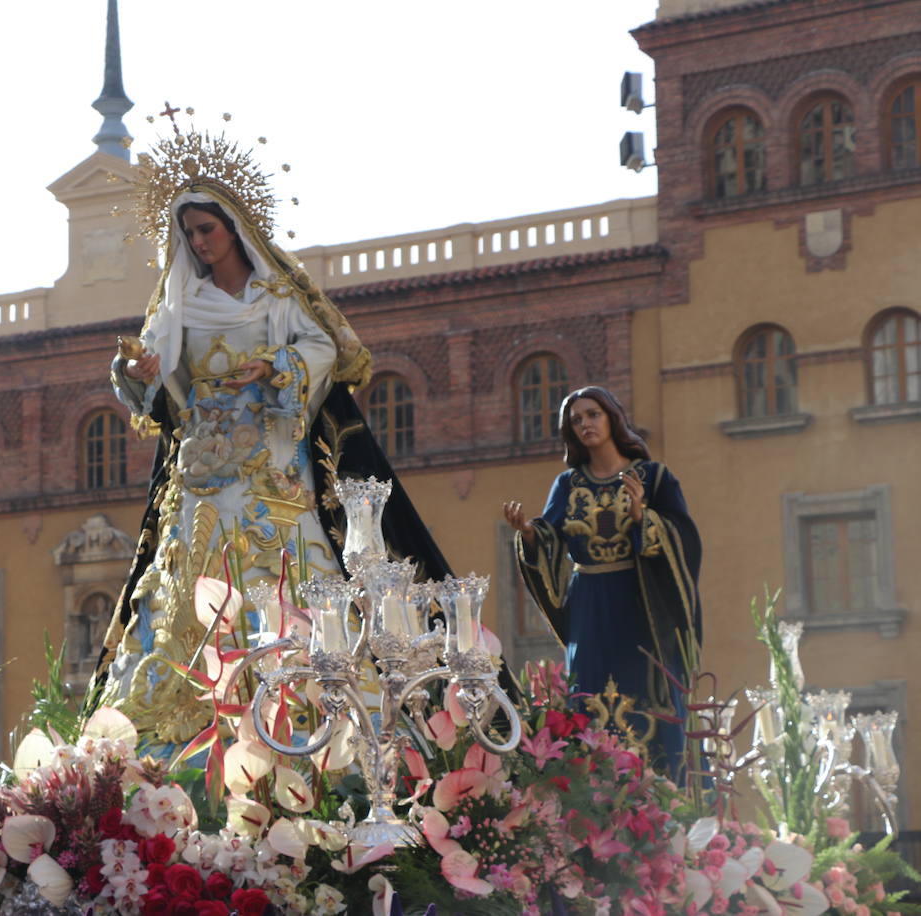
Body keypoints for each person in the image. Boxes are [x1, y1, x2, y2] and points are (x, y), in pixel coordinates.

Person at [92, 176, 453, 747]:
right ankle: (182, 719)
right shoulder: (180, 302)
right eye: (190, 233)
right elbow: (153, 371)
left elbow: (324, 349)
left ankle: (319, 707)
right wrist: (136, 372)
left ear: (233, 227)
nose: (200, 242)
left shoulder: (277, 298)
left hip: (272, 462)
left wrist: (274, 365)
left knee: (294, 571)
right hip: (203, 475)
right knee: (189, 583)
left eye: (207, 229)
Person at [502, 386, 701, 775]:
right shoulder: (568, 485)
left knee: (646, 697)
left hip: (641, 608)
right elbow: (551, 540)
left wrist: (644, 515)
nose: (585, 424)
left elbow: (685, 540)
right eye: (576, 420)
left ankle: (659, 790)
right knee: (588, 697)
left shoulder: (654, 477)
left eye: (592, 414)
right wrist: (527, 532)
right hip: (590, 608)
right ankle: (593, 791)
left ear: (612, 417)